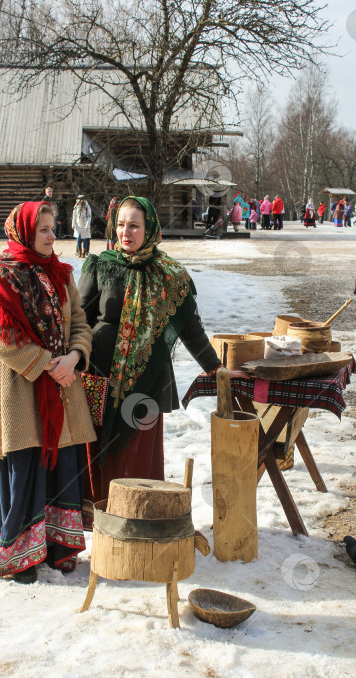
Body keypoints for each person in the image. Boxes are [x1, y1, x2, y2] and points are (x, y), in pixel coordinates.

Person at [78, 196, 245, 502]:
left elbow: (191, 329)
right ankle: (101, 520)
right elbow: (80, 320)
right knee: (97, 449)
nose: (125, 232)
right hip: (99, 375)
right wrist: (72, 362)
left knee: (138, 452)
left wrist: (215, 367)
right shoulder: (101, 266)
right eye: (121, 225)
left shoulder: (168, 275)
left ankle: (141, 517)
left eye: (134, 226)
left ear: (150, 228)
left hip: (146, 379)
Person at [0, 201, 96, 583]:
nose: (52, 235)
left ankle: (57, 547)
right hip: (17, 388)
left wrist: (74, 357)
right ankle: (18, 553)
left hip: (62, 386)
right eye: (43, 229)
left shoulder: (60, 273)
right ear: (23, 230)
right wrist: (50, 365)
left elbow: (80, 323)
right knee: (24, 467)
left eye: (54, 228)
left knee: (62, 465)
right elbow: (2, 339)